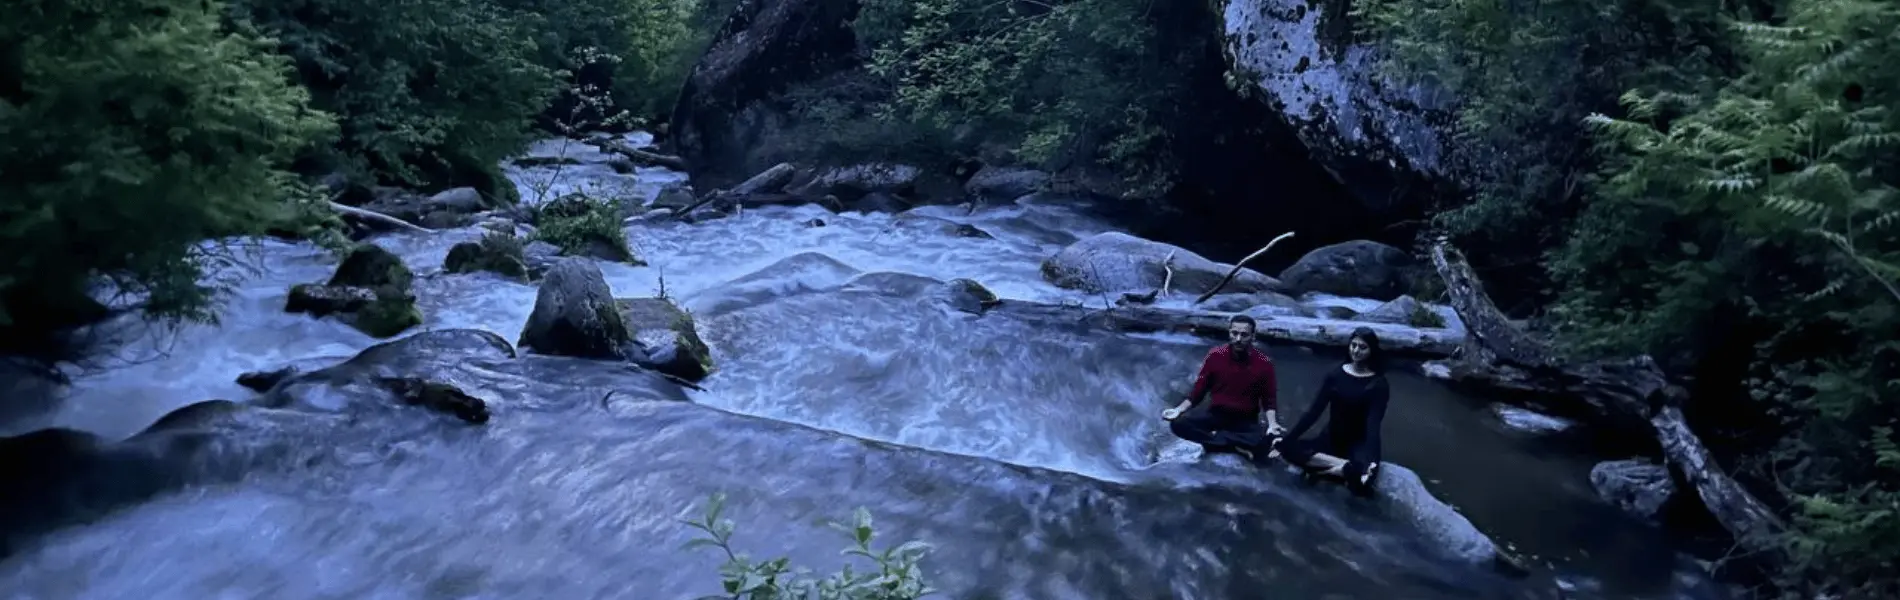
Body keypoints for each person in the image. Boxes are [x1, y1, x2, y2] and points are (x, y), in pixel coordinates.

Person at [1273, 326, 1391, 496]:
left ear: (1372, 350)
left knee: (1364, 481)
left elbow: (1373, 426)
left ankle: (1326, 470)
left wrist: (1373, 462)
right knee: (1286, 447)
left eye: (1362, 347)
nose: (1356, 351)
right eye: (1353, 345)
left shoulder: (1378, 384)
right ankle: (1342, 467)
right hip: (1331, 437)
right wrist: (1289, 439)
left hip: (1358, 443)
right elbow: (1314, 412)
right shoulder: (1336, 374)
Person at [1161, 315, 1283, 463]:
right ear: (1229, 333)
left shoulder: (1264, 363)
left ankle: (1217, 441)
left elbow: (1269, 400)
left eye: (1244, 335)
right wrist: (1178, 410)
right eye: (1234, 333)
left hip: (1245, 422)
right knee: (1178, 424)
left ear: (1253, 336)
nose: (1238, 339)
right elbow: (1199, 391)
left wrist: (1272, 424)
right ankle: (1231, 445)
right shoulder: (1215, 356)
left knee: (1272, 440)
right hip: (1215, 416)